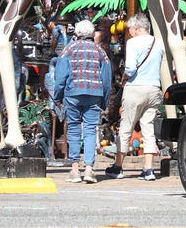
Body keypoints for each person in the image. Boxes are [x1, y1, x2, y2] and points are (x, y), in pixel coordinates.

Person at [105, 12, 164, 181]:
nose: (129, 32)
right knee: (148, 128)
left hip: (135, 89)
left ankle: (118, 166)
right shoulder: (158, 43)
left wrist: (124, 77)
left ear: (137, 28)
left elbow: (130, 68)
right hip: (153, 88)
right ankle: (148, 169)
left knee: (126, 128)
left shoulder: (132, 43)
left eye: (130, 29)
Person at [54, 19, 112, 184]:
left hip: (72, 93)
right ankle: (89, 169)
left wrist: (58, 97)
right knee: (90, 131)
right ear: (92, 34)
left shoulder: (68, 50)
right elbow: (106, 80)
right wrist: (105, 101)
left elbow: (60, 78)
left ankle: (74, 169)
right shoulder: (100, 51)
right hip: (94, 94)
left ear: (77, 34)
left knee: (73, 129)